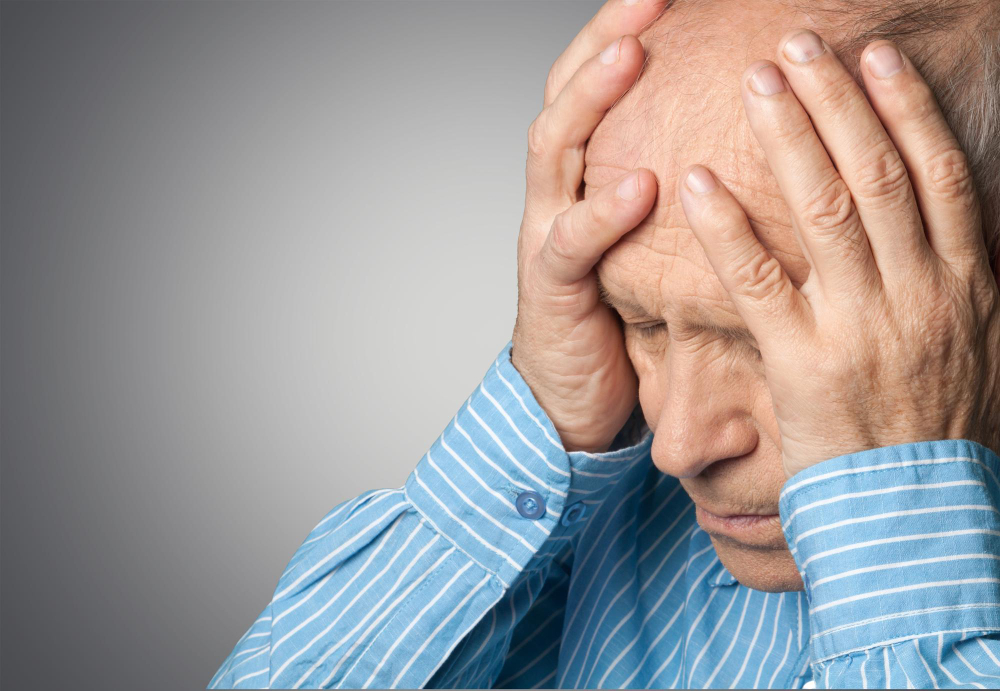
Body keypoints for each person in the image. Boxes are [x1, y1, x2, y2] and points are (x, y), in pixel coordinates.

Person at [210, 0, 1000, 688]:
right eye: (643, 322)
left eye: (763, 340)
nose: (679, 445)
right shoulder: (622, 525)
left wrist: (899, 516)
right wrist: (546, 412)